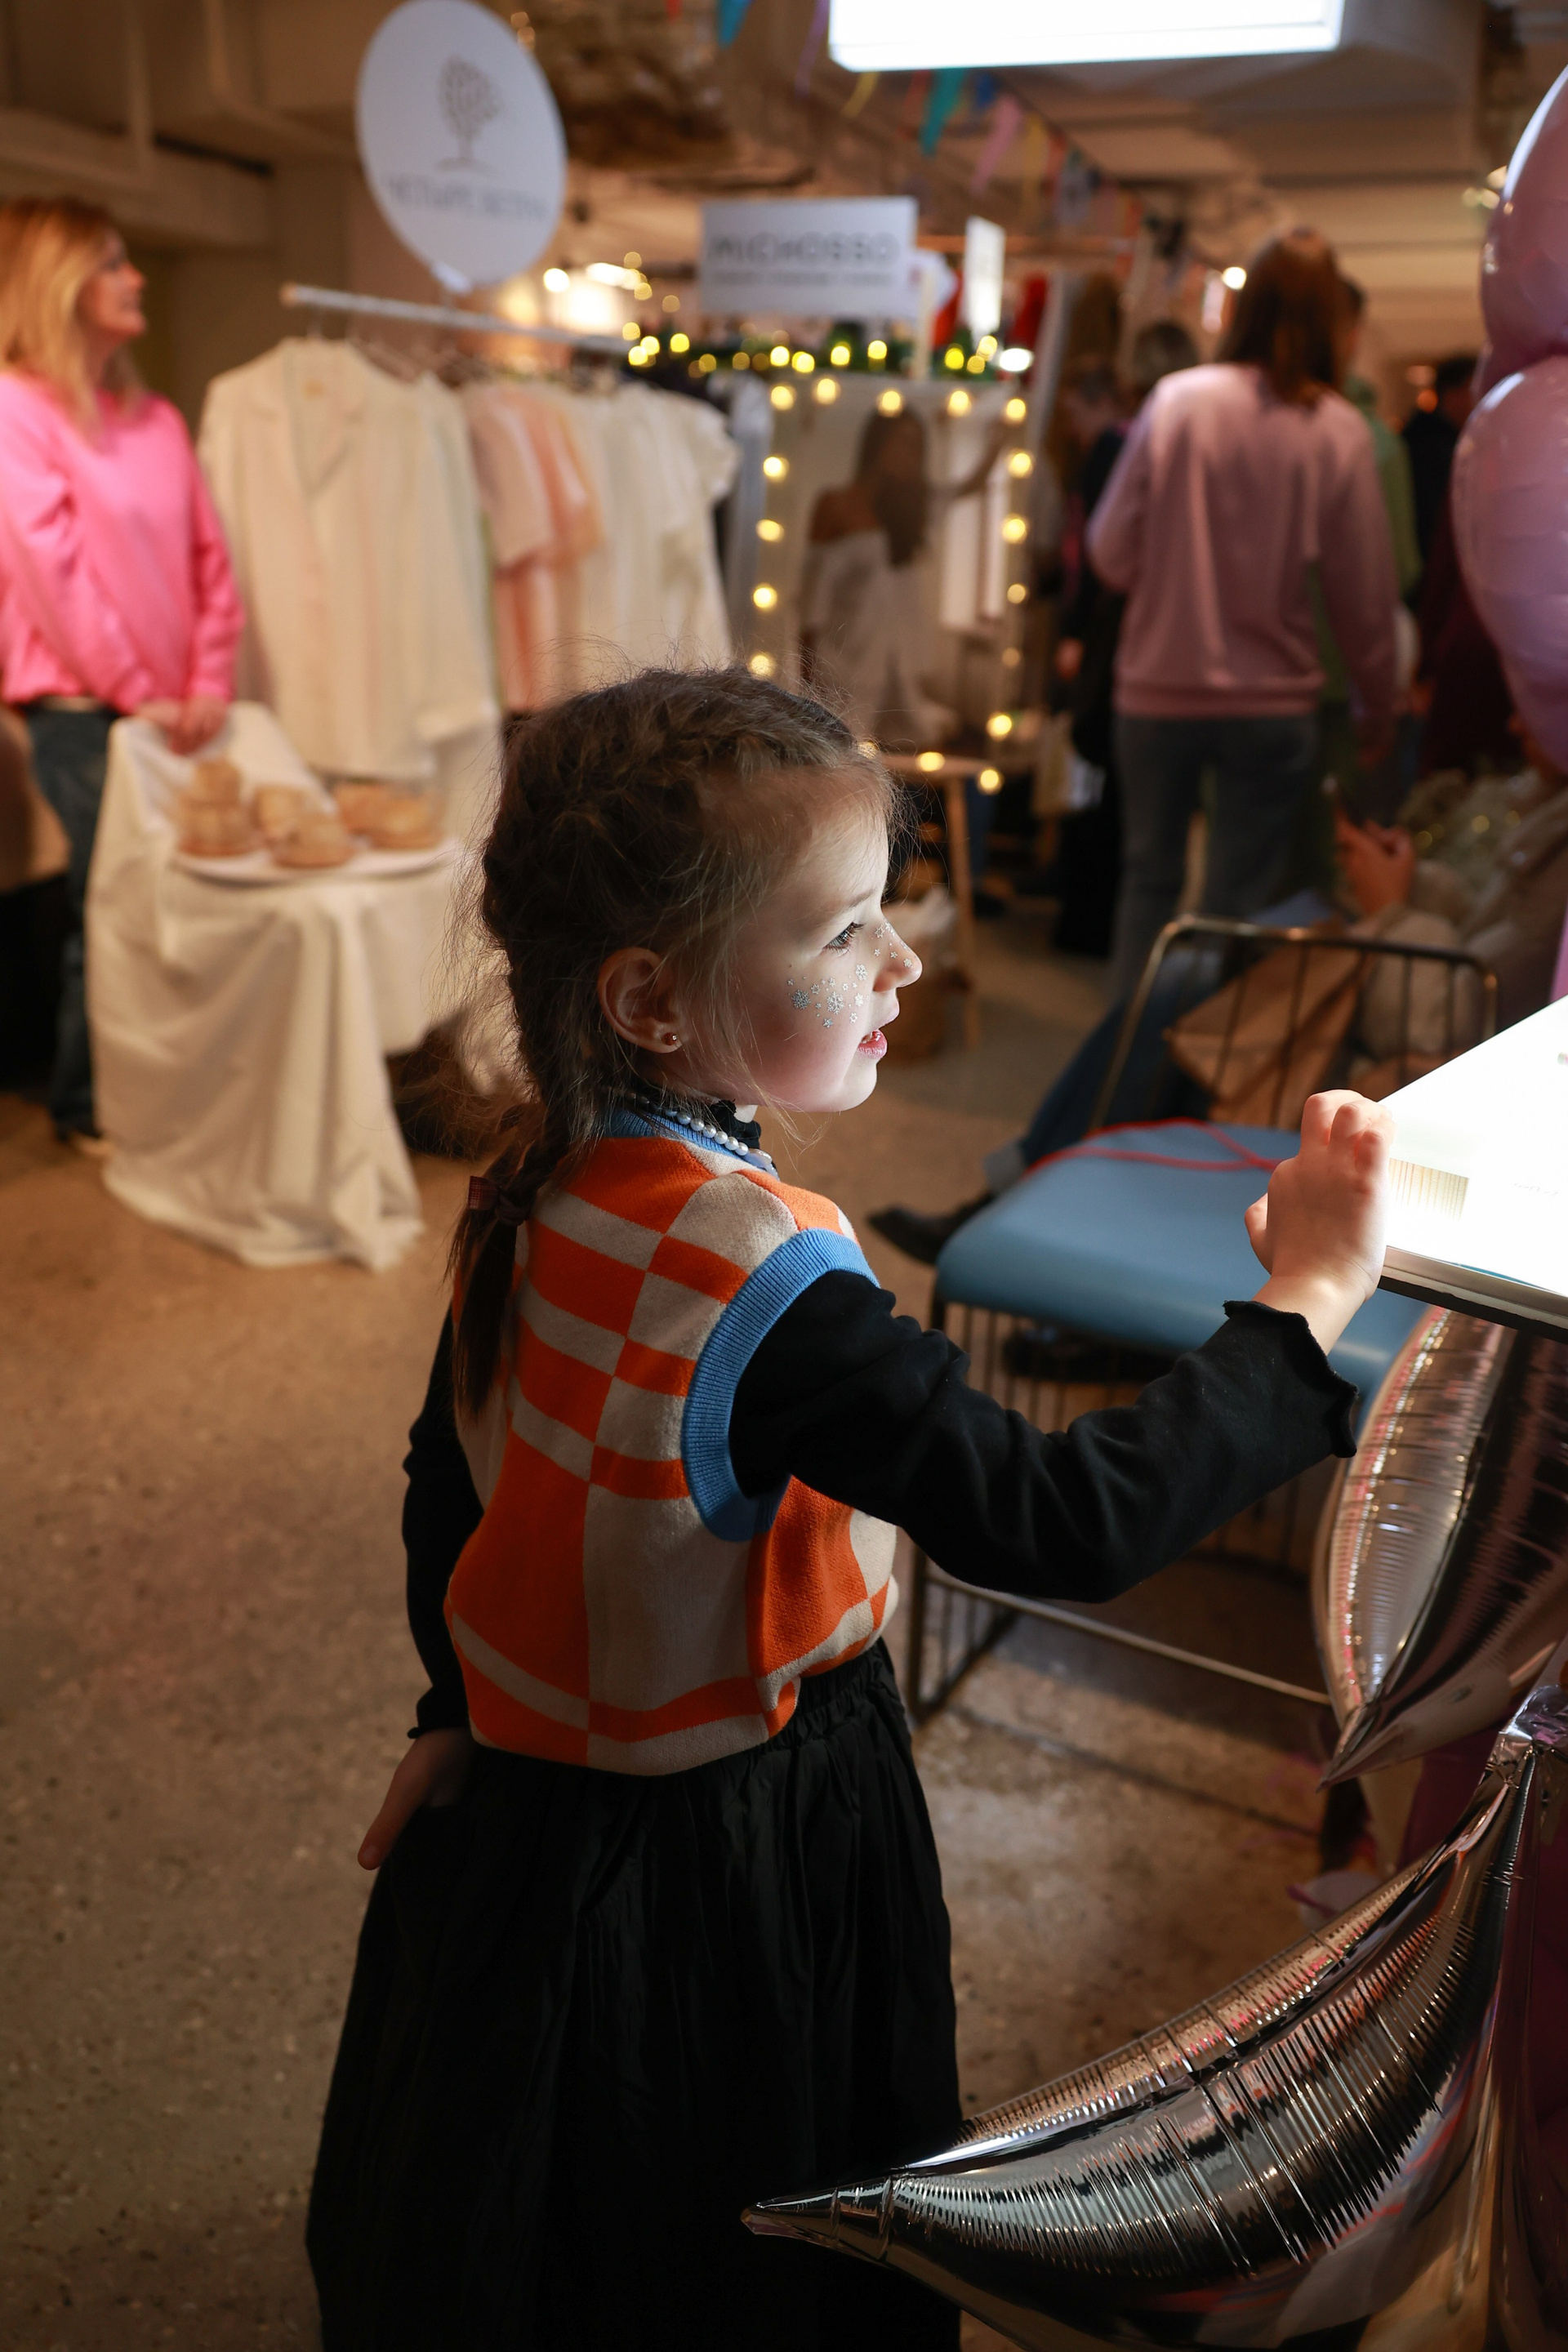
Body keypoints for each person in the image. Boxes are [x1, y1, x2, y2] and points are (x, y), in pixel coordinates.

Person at [305, 664, 1393, 2352]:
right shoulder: (772, 1281)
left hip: (529, 1819)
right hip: (735, 1834)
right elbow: (1057, 1516)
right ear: (653, 1000)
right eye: (844, 930)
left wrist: (457, 1704)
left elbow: (448, 1467)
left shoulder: (535, 1173)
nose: (906, 961)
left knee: (548, 2183)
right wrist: (1305, 1304)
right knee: (738, 2184)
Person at [1087, 228, 1398, 999]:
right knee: (1235, 906)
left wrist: (1176, 570)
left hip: (1157, 688)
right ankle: (1202, 1055)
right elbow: (1364, 594)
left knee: (1148, 881)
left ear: (1244, 305)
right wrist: (1378, 701)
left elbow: (1110, 552)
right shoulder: (1336, 429)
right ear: (1332, 319)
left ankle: (1124, 1057)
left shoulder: (1179, 402)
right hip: (1273, 705)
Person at [0, 198, 243, 1148]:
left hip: (177, 712)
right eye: (110, 262)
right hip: (85, 712)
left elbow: (210, 563)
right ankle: (86, 1104)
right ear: (56, 283)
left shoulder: (154, 418)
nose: (134, 277)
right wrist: (144, 697)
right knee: (113, 911)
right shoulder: (17, 409)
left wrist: (207, 683)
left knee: (183, 903)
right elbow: (52, 577)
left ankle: (163, 1088)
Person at [1045, 327, 1199, 955]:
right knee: (1129, 800)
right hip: (1159, 634)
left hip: (1118, 628)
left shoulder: (1122, 443)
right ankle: (1094, 919)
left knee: (1103, 781)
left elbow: (1101, 551)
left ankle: (1086, 918)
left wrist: (1075, 629)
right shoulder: (1178, 441)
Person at [800, 405, 1000, 746]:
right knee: (838, 744)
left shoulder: (914, 508)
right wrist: (806, 667)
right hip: (840, 653)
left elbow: (970, 486)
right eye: (903, 441)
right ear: (878, 443)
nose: (910, 454)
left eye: (917, 446)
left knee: (905, 743)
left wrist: (999, 439)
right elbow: (812, 595)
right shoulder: (835, 504)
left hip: (891, 657)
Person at [1402, 353, 1477, 568]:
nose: (1481, 397)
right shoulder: (1432, 446)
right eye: (1473, 388)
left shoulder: (1437, 439)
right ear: (1452, 394)